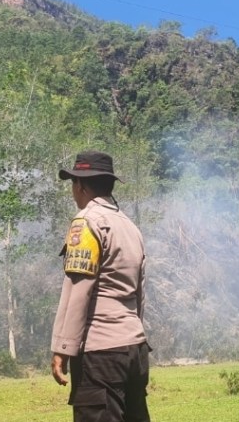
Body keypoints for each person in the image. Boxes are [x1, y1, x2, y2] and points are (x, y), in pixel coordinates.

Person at [51, 150, 150, 422]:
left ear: (81, 185)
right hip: (135, 348)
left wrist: (62, 347)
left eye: (73, 183)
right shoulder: (130, 227)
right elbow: (139, 291)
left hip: (101, 352)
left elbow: (78, 291)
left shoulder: (86, 223)